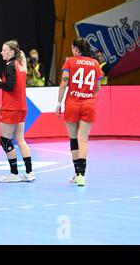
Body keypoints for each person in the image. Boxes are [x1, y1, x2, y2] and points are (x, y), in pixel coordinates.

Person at [56, 38, 102, 186]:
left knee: (73, 139)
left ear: (76, 49)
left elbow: (64, 83)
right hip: (89, 104)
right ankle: (82, 175)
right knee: (83, 140)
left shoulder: (70, 61)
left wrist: (58, 103)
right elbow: (98, 87)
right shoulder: (95, 63)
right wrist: (87, 95)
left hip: (72, 103)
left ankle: (77, 173)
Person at [0, 40, 35, 183]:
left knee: (4, 140)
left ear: (11, 52)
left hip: (11, 108)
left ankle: (14, 173)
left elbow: (10, 86)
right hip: (21, 107)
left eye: (4, 50)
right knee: (20, 139)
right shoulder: (21, 66)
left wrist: (0, 82)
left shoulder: (10, 66)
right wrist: (2, 103)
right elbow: (16, 89)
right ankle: (29, 172)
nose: (1, 52)